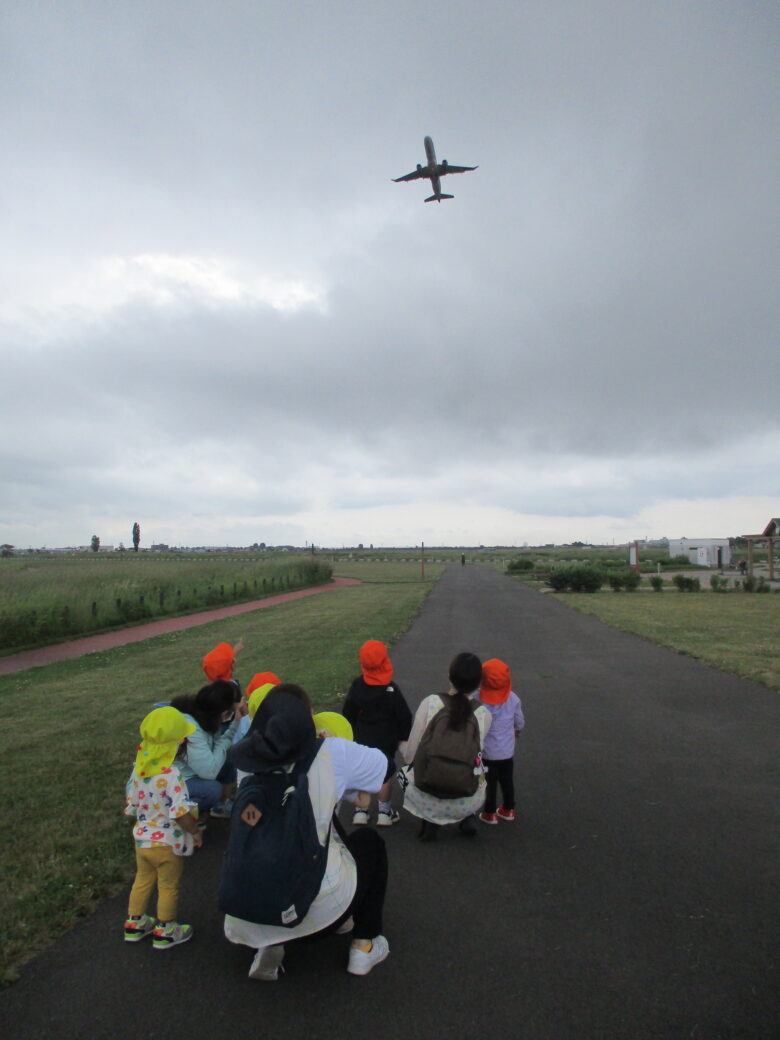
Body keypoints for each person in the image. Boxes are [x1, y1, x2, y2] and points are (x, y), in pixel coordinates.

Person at [223, 685, 391, 980]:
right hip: (315, 911)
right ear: (308, 717)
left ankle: (268, 944)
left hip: (247, 908)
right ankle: (364, 945)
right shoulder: (332, 751)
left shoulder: (245, 763)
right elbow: (384, 767)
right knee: (368, 843)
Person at [124, 706, 202, 949]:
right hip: (167, 843)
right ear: (179, 742)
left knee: (142, 880)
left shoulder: (139, 770)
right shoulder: (172, 775)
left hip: (142, 840)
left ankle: (134, 923)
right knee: (168, 885)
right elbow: (180, 813)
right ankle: (166, 929)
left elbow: (132, 802)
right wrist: (194, 831)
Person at [399, 651, 491, 841]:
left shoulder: (430, 703)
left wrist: (400, 746)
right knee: (480, 768)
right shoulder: (483, 714)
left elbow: (411, 753)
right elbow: (477, 753)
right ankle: (468, 815)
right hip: (466, 795)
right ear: (479, 683)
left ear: (450, 676)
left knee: (405, 770)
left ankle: (429, 819)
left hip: (425, 792)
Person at [342, 640, 412, 826]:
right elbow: (404, 716)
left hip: (362, 737)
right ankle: (384, 812)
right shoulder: (391, 689)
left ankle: (361, 811)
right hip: (386, 738)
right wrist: (403, 737)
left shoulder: (357, 686)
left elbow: (348, 712)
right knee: (384, 774)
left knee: (362, 772)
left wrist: (351, 732)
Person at [170, 680, 247, 817]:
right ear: (223, 713)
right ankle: (171, 816)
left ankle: (216, 807)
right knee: (212, 790)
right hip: (167, 782)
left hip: (182, 773)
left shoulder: (201, 714)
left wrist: (234, 724)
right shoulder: (191, 729)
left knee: (227, 757)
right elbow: (209, 772)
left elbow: (215, 747)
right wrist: (233, 729)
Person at [477, 659, 525, 824]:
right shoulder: (513, 699)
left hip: (486, 752)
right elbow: (519, 721)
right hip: (506, 752)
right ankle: (508, 808)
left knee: (489, 783)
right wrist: (517, 729)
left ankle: (489, 812)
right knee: (507, 780)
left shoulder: (477, 698)